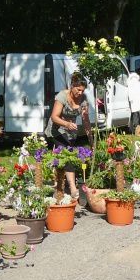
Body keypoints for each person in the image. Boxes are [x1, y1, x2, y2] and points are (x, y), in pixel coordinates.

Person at [44, 72, 93, 200]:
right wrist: (66, 124)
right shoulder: (62, 96)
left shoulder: (83, 99)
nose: (80, 93)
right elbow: (54, 116)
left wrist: (91, 138)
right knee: (67, 154)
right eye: (78, 89)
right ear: (72, 86)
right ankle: (72, 188)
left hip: (71, 131)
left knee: (63, 157)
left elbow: (85, 120)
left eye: (83, 90)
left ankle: (59, 186)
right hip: (57, 130)